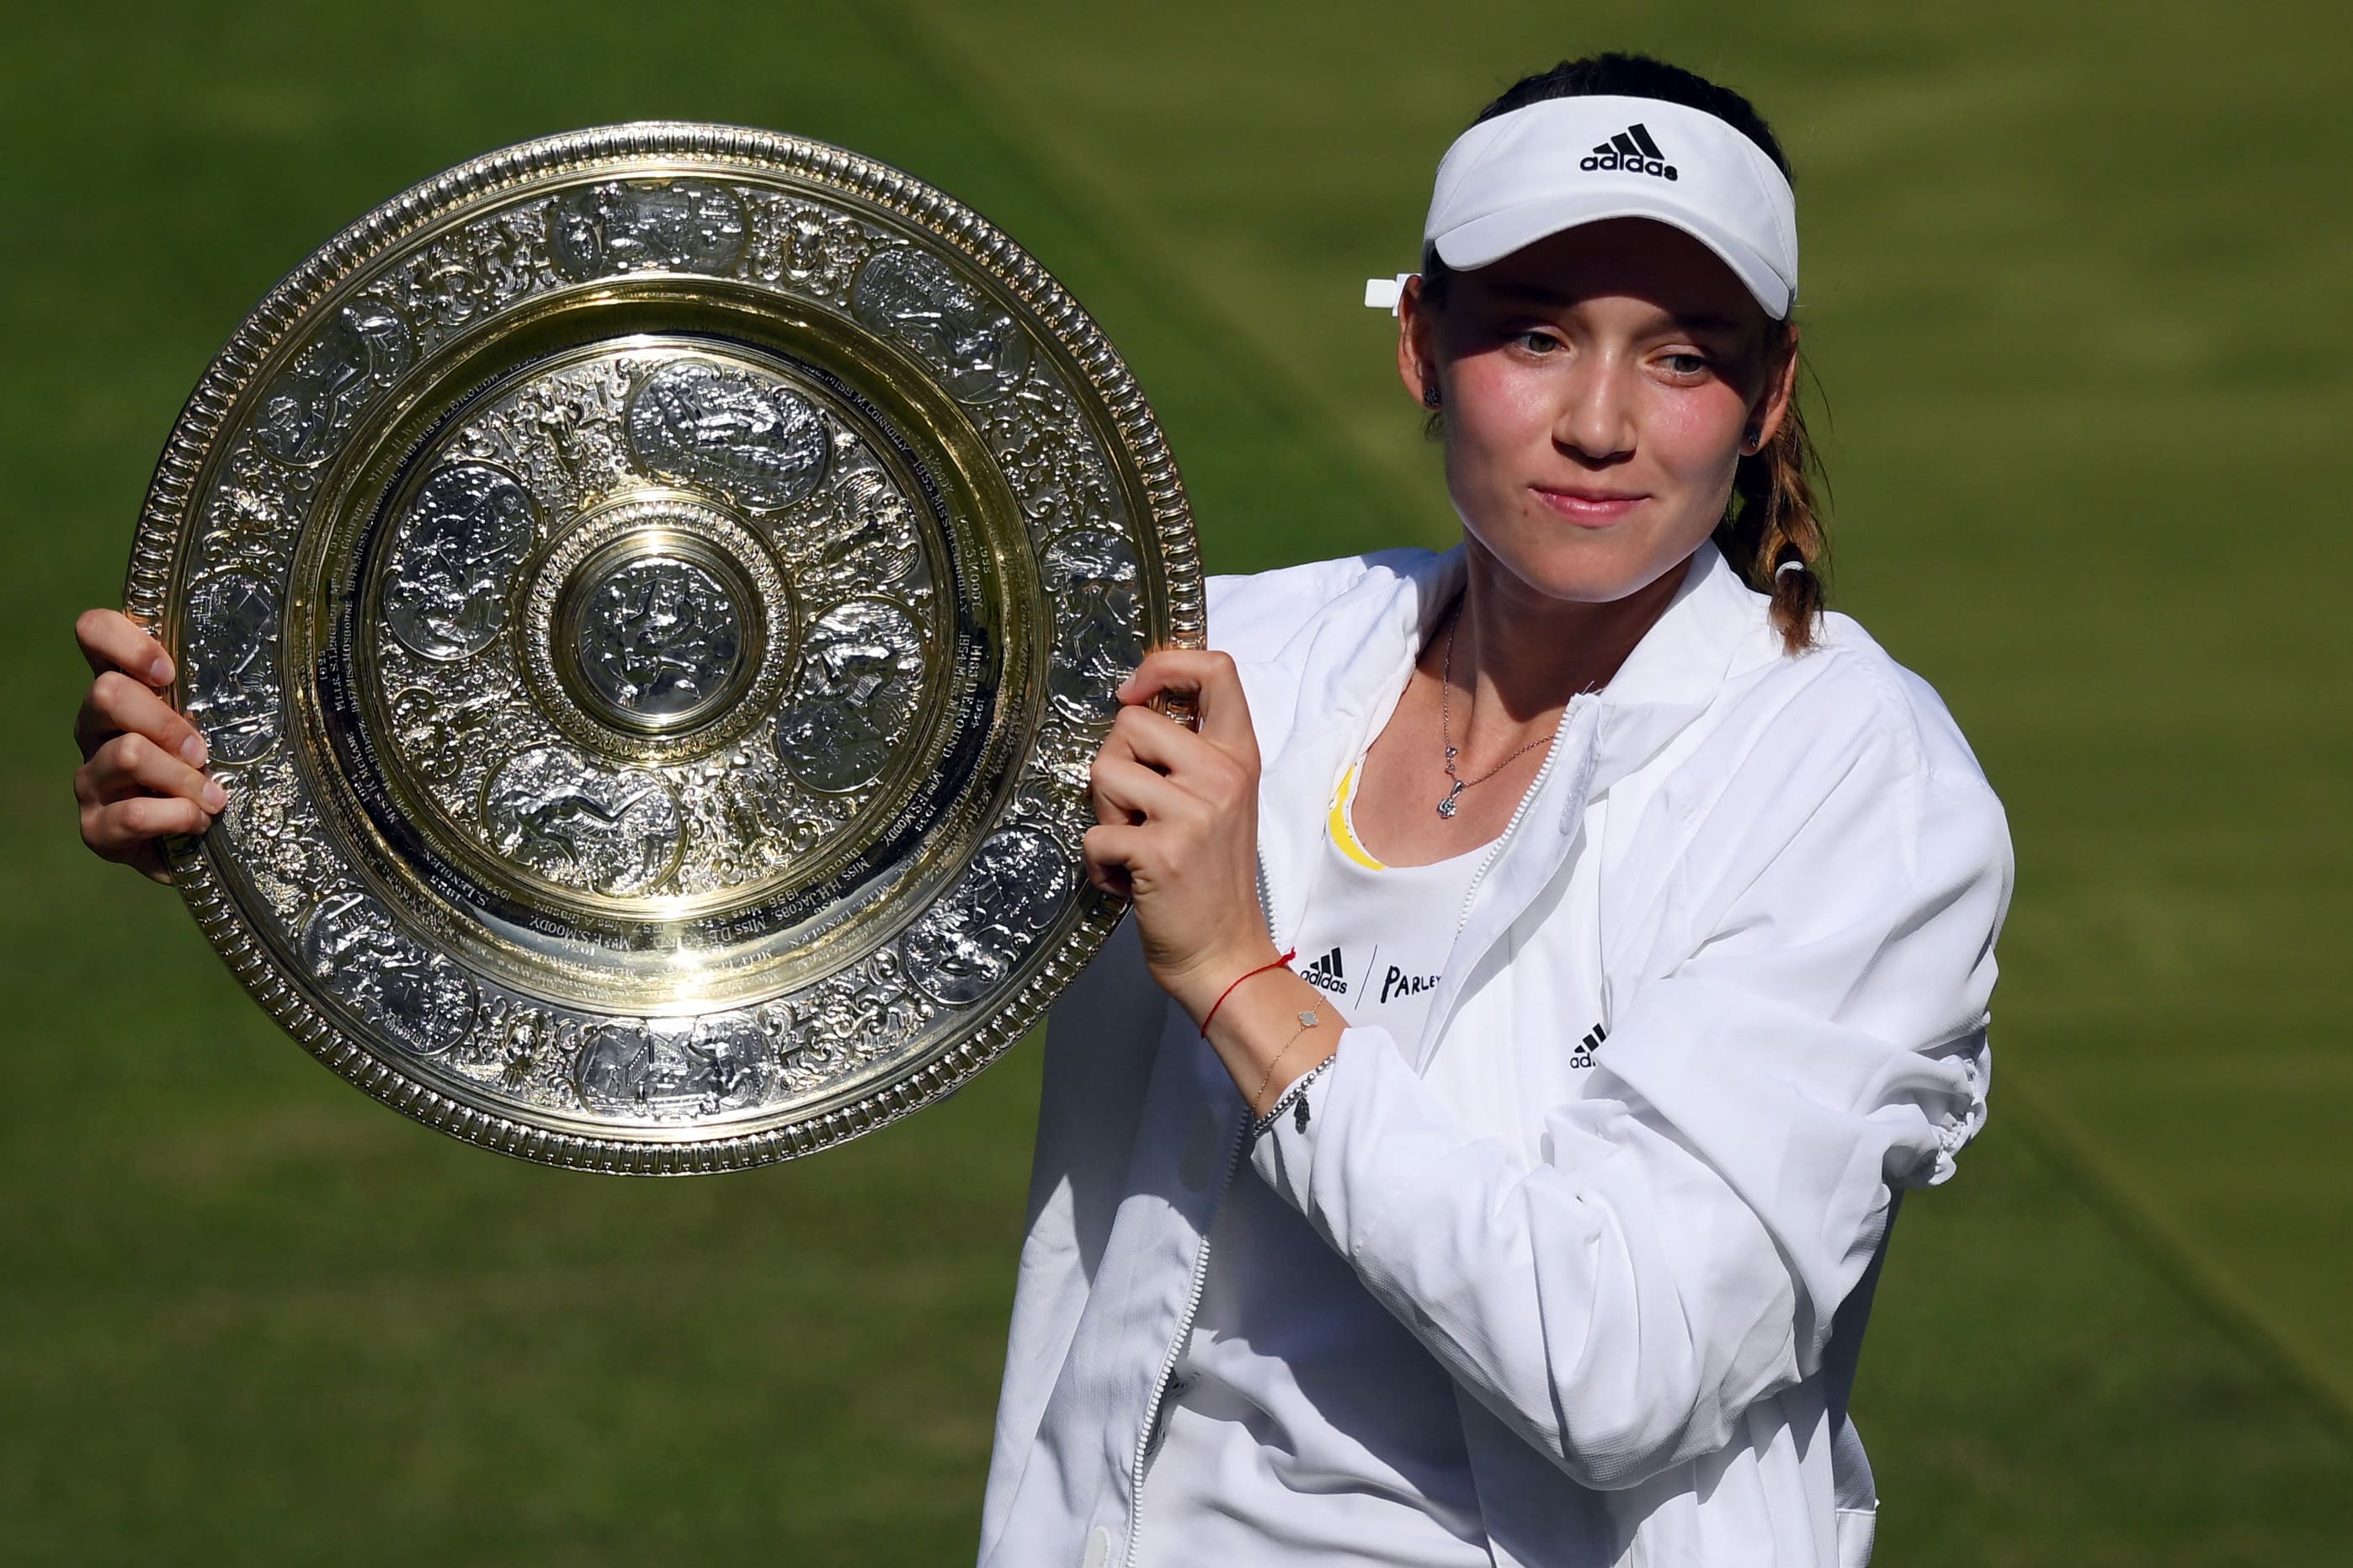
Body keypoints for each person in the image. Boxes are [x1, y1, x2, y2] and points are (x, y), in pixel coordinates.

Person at [71, 50, 2010, 1568]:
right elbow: (724, 818)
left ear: (1761, 405)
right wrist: (277, 797)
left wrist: (1246, 979)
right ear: (1420, 343)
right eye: (1534, 335)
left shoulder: (1858, 788)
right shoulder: (1237, 657)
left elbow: (1628, 1365)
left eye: (1683, 359)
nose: (1602, 420)